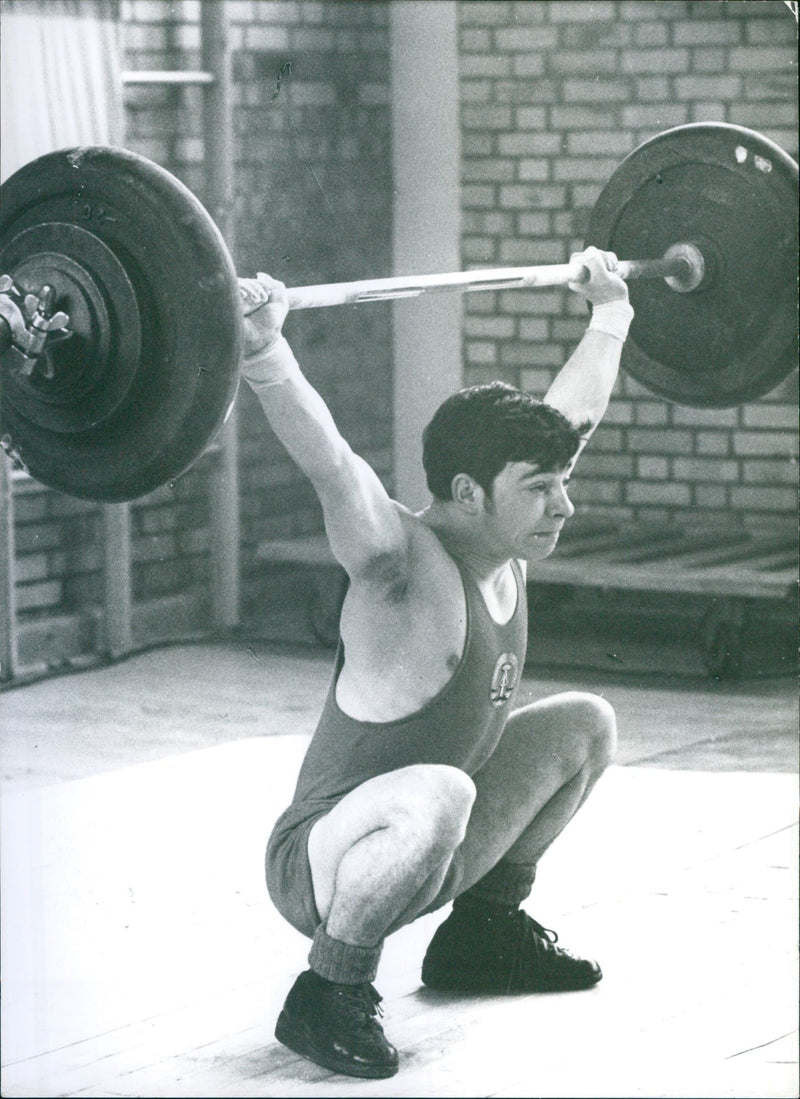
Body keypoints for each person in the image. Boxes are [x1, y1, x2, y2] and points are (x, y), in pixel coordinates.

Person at [238, 248, 633, 1080]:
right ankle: (330, 990)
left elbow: (577, 411)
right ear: (467, 490)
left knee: (584, 725)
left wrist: (611, 313)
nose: (565, 503)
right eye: (542, 487)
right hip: (325, 859)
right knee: (445, 788)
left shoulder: (505, 538)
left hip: (428, 832)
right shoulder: (398, 564)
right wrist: (265, 350)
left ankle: (483, 934)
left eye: (561, 482)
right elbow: (332, 463)